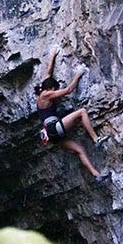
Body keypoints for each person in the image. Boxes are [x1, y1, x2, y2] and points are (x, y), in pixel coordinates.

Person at [36, 50, 109, 183]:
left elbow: (48, 73)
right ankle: (95, 139)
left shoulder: (43, 90)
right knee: (82, 112)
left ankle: (96, 175)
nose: (55, 92)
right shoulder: (46, 95)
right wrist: (78, 74)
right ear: (51, 88)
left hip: (52, 136)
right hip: (53, 128)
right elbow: (68, 90)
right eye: (55, 89)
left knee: (79, 150)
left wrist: (52, 55)